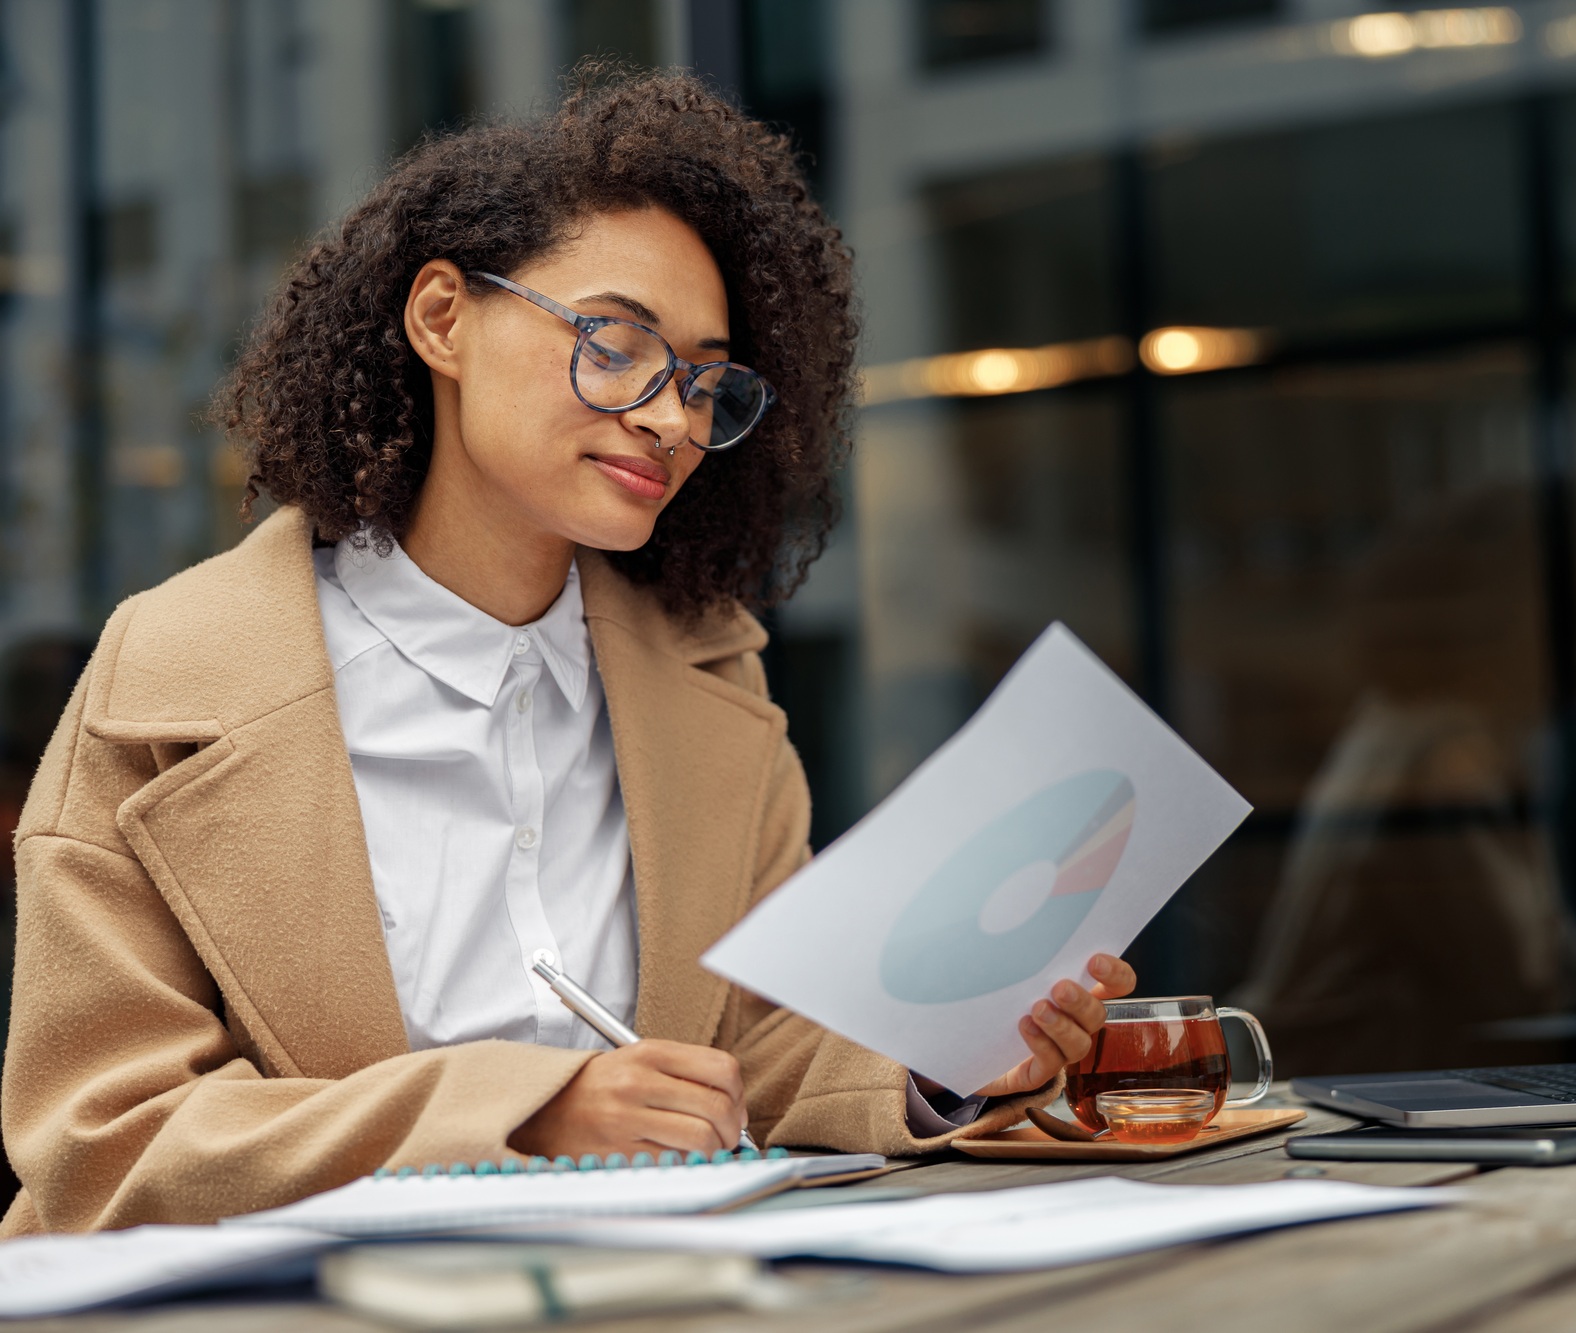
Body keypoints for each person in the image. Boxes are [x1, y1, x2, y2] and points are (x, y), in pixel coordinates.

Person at [1, 69, 1134, 1235]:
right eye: (615, 341)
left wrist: (946, 1057)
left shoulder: (705, 677)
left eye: (704, 380)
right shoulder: (170, 678)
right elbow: (104, 1142)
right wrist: (530, 1112)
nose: (670, 417)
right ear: (440, 319)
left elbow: (752, 1046)